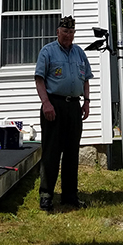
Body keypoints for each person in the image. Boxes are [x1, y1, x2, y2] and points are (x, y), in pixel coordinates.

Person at [34, 15, 93, 211]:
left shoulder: (79, 53)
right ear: (58, 32)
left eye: (71, 32)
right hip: (54, 106)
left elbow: (85, 79)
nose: (68, 35)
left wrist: (87, 102)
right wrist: (46, 104)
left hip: (74, 107)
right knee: (51, 152)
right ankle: (46, 195)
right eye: (65, 31)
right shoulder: (47, 52)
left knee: (71, 152)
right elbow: (40, 80)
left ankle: (70, 196)